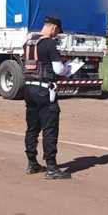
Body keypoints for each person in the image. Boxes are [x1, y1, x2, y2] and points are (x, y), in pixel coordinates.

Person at [23, 16, 77, 180]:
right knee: (50, 128)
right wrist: (68, 69)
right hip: (45, 91)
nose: (57, 35)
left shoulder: (28, 43)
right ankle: (51, 167)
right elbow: (58, 69)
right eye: (58, 32)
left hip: (28, 89)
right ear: (54, 28)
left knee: (32, 128)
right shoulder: (50, 44)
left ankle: (32, 163)